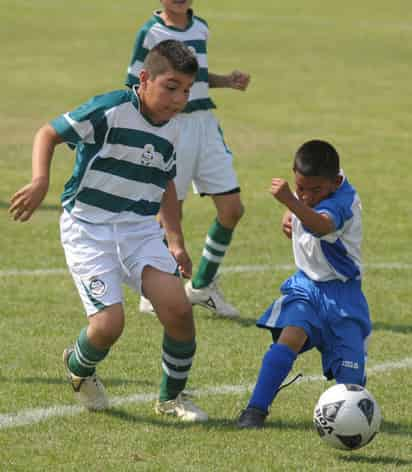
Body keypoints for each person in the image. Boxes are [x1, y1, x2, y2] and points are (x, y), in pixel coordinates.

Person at [9, 40, 208, 422]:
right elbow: (47, 133)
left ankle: (172, 398)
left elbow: (165, 181)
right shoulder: (111, 109)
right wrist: (39, 180)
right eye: (171, 87)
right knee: (108, 325)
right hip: (89, 228)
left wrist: (176, 240)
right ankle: (79, 367)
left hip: (139, 230)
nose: (179, 99)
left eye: (186, 90)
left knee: (179, 312)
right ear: (145, 78)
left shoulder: (175, 128)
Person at [126, 0, 250, 318]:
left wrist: (226, 81)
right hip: (172, 125)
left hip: (206, 124)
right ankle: (155, 288)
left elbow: (195, 77)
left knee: (232, 209)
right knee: (170, 211)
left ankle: (202, 286)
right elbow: (134, 83)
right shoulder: (150, 33)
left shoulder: (201, 27)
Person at [237, 140, 371, 428]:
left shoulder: (342, 202)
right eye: (302, 189)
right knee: (291, 335)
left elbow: (321, 225)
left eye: (315, 191)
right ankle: (255, 410)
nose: (308, 196)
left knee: (352, 385)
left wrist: (292, 202)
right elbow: (306, 214)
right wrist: (292, 213)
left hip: (343, 296)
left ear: (336, 182)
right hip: (307, 288)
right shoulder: (317, 184)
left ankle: (350, 415)